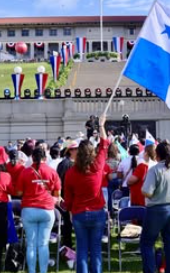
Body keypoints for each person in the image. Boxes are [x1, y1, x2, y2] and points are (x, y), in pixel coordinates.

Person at [64, 115, 108, 273]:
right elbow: (104, 145)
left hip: (79, 213)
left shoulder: (70, 173)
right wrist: (101, 126)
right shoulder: (97, 166)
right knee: (95, 248)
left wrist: (69, 210)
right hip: (96, 213)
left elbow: (68, 198)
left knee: (82, 249)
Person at [140, 143, 170, 273]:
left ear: (157, 155)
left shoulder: (154, 170)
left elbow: (147, 192)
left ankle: (150, 270)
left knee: (147, 243)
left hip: (157, 209)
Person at [16, 147, 61, 273]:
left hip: (29, 209)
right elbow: (57, 193)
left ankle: (31, 271)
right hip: (47, 210)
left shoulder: (25, 172)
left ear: (32, 158)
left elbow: (19, 192)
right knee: (43, 244)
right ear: (45, 158)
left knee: (31, 244)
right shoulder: (52, 171)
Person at [56, 141, 78, 249]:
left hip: (69, 196)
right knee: (67, 222)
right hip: (65, 197)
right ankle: (67, 244)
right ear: (71, 151)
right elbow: (61, 180)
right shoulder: (66, 164)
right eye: (76, 149)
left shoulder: (70, 162)